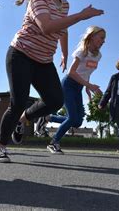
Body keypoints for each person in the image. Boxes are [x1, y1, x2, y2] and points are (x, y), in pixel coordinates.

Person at [0, 0, 104, 163]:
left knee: (55, 100)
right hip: (21, 54)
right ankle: (1, 147)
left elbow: (63, 28)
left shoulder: (64, 4)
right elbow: (46, 27)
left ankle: (24, 119)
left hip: (43, 60)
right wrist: (80, 16)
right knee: (17, 101)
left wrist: (63, 52)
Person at [42, 26, 106, 154]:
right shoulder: (82, 51)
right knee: (71, 118)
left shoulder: (98, 55)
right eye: (101, 38)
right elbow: (72, 72)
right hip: (68, 85)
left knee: (77, 121)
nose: (103, 41)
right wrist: (90, 85)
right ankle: (53, 142)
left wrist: (88, 88)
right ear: (92, 37)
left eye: (104, 39)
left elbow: (87, 72)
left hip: (79, 86)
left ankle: (48, 118)